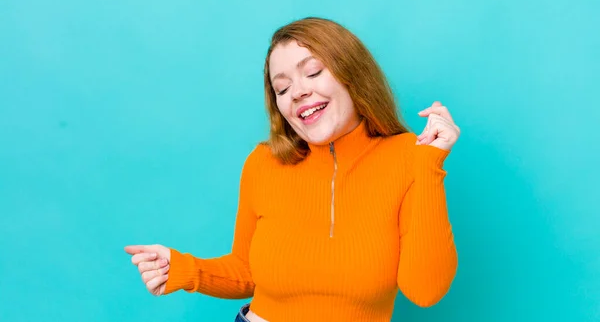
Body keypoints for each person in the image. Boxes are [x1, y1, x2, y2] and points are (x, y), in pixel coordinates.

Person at [125, 16, 460, 322]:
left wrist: (429, 164)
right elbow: (247, 272)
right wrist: (183, 269)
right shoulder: (264, 162)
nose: (298, 92)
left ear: (353, 75)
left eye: (313, 72)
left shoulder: (408, 157)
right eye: (282, 88)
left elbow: (425, 291)